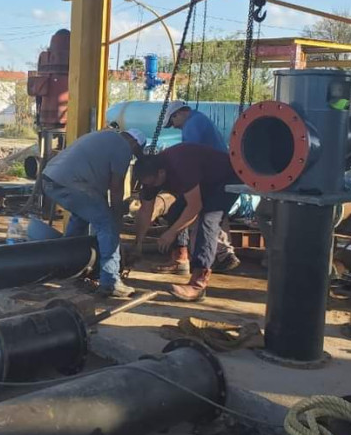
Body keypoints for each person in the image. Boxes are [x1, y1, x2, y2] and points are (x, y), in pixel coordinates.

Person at [42, 128, 146, 298]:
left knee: (81, 217)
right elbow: (116, 187)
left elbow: (99, 183)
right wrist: (116, 217)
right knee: (107, 224)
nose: (132, 155)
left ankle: (68, 266)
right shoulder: (123, 147)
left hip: (51, 178)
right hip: (71, 182)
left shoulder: (103, 135)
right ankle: (111, 281)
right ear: (134, 143)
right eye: (135, 152)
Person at [133, 143, 240, 302]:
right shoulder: (151, 176)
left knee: (208, 221)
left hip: (226, 177)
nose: (152, 187)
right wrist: (138, 244)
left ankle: (198, 283)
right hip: (203, 180)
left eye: (153, 183)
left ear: (161, 173)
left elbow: (194, 207)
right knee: (175, 211)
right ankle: (180, 259)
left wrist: (171, 233)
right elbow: (145, 211)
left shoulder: (181, 166)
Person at [154, 101, 240, 274]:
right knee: (210, 215)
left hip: (213, 177)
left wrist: (171, 232)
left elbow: (188, 157)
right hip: (217, 175)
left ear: (179, 113)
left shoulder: (192, 124)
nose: (174, 126)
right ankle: (222, 254)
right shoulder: (199, 120)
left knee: (188, 212)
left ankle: (187, 259)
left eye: (172, 122)